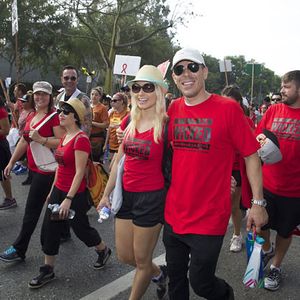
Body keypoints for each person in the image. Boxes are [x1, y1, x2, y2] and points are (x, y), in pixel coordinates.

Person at [163, 48, 268, 300]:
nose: (186, 74)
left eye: (193, 67)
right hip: (174, 213)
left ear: (205, 71)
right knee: (175, 280)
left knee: (201, 283)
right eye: (179, 70)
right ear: (174, 78)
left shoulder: (228, 109)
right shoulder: (173, 109)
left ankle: (226, 295)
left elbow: (251, 155)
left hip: (209, 216)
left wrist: (257, 203)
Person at [98, 65, 169, 300]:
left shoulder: (167, 124)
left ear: (158, 91)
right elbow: (118, 161)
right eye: (136, 87)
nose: (141, 92)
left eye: (148, 87)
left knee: (141, 260)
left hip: (151, 198)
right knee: (125, 256)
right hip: (126, 194)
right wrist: (106, 195)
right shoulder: (130, 121)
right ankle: (159, 273)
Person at [28, 98, 111, 289]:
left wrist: (68, 199)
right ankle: (47, 269)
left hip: (74, 194)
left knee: (81, 229)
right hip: (59, 191)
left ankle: (103, 249)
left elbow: (80, 172)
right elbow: (60, 166)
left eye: (66, 111)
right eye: (60, 110)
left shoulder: (81, 139)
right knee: (50, 227)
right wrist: (53, 191)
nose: (61, 114)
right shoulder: (64, 136)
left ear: (76, 117)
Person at [0, 81, 65, 262]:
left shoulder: (54, 117)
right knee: (56, 209)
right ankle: (67, 231)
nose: (39, 97)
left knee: (32, 211)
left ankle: (19, 248)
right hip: (35, 168)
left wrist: (42, 139)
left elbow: (63, 143)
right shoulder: (32, 115)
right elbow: (24, 140)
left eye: (44, 94)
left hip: (48, 171)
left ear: (50, 97)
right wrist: (11, 162)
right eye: (37, 94)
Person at [256, 70, 300, 291]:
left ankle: (276, 266)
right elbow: (258, 134)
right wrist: (263, 145)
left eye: (287, 86)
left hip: (294, 190)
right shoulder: (273, 110)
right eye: (282, 86)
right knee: (261, 224)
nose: (282, 90)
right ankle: (266, 252)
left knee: (285, 231)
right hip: (267, 184)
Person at [221, 85, 255, 253]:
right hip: (218, 168)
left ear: (239, 104)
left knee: (233, 205)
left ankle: (236, 235)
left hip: (237, 168)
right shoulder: (216, 117)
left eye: (232, 103)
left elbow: (252, 151)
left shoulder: (246, 121)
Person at [55, 65, 92, 136]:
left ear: (77, 80)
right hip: (59, 139)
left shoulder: (83, 99)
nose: (69, 81)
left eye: (73, 78)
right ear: (62, 79)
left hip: (74, 140)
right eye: (66, 78)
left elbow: (87, 126)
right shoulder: (59, 97)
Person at [103, 92, 129, 168]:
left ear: (122, 101)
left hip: (120, 145)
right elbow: (109, 129)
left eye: (115, 101)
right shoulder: (112, 113)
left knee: (114, 167)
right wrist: (105, 143)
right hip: (111, 144)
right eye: (111, 100)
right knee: (110, 166)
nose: (112, 103)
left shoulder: (128, 114)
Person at [0, 95, 17, 210]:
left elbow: (5, 130)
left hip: (1, 147)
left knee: (3, 175)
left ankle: (10, 199)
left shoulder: (1, 111)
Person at [90, 86, 109, 162]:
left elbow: (106, 124)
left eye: (96, 95)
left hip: (96, 139)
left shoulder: (102, 108)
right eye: (92, 94)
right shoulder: (87, 106)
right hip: (86, 137)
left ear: (100, 97)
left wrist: (92, 123)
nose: (94, 96)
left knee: (94, 162)